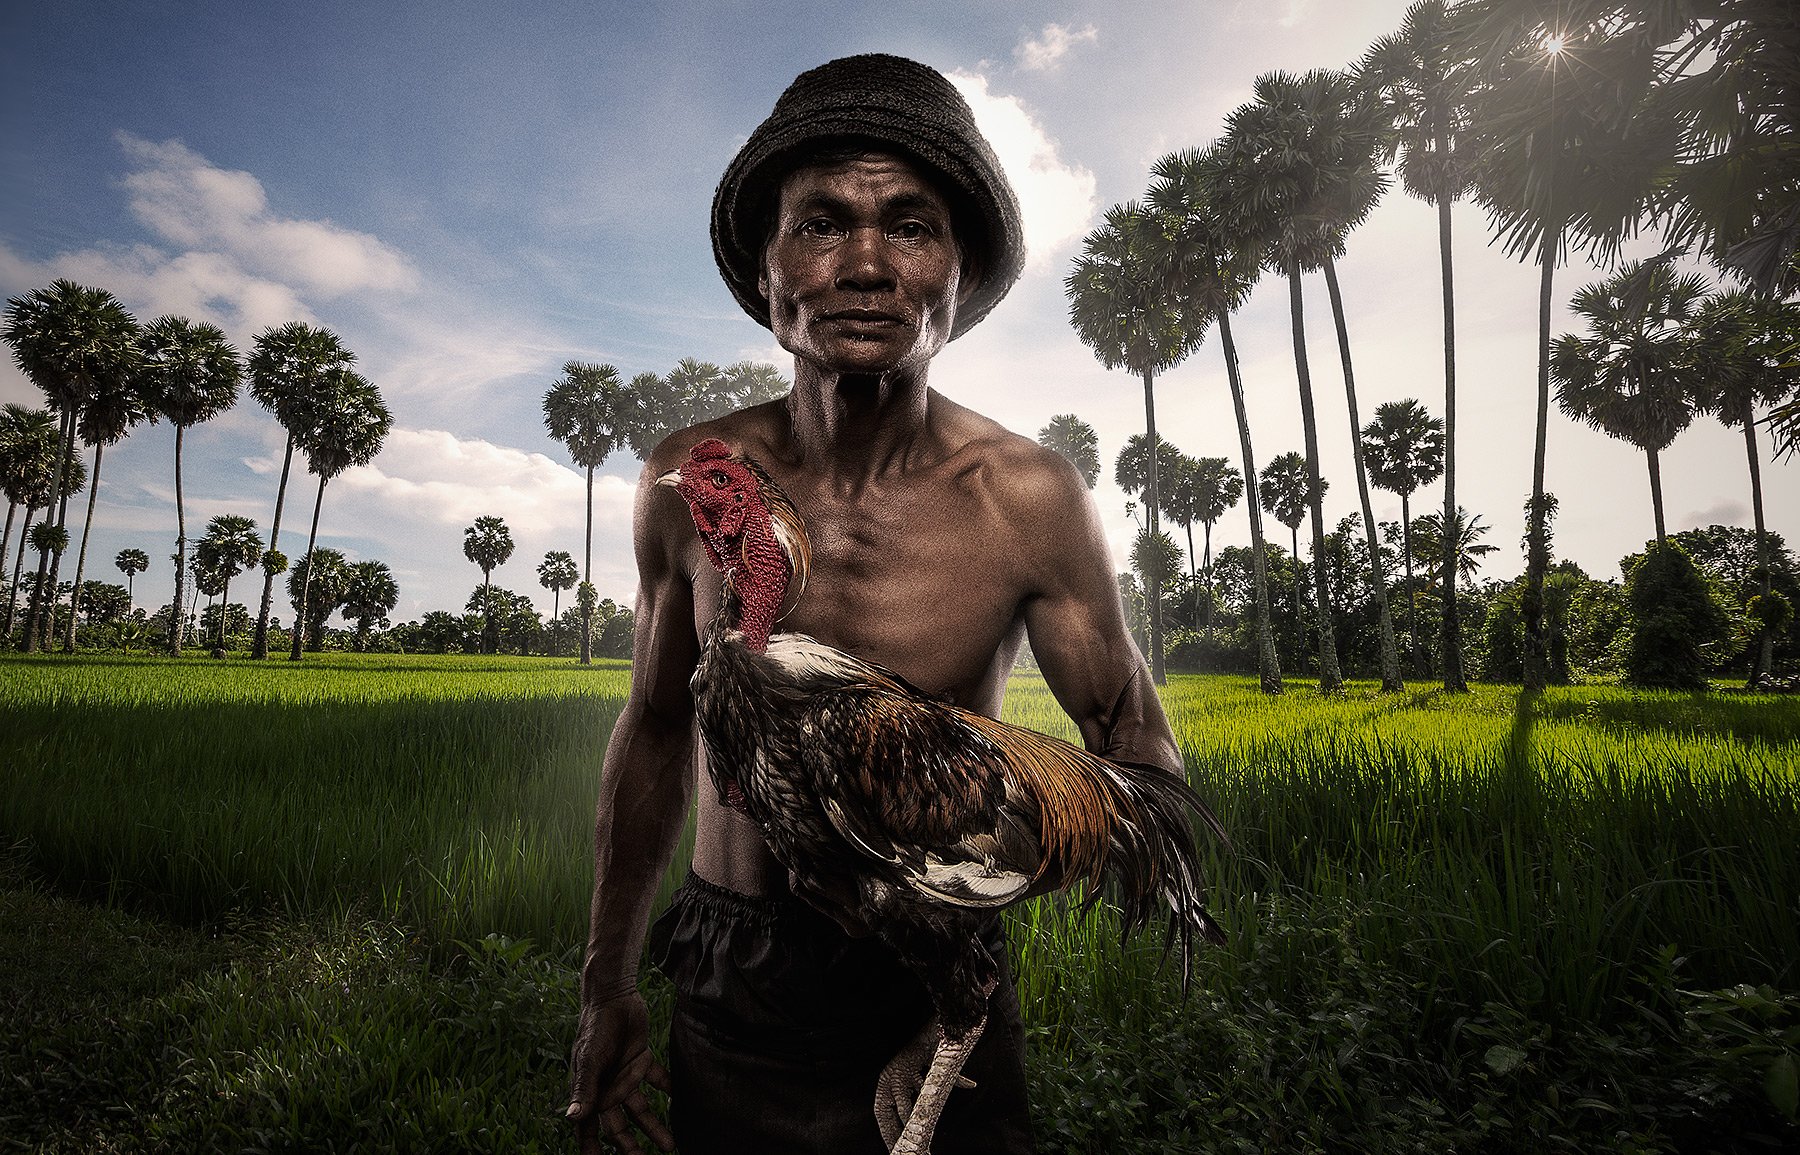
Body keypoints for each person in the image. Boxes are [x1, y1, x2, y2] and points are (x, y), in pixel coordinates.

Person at [566, 53, 1183, 1155]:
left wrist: (961, 991)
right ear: (766, 270)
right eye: (820, 224)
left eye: (909, 225)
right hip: (734, 970)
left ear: (959, 273)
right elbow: (658, 727)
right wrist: (607, 981)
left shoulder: (1025, 496)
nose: (864, 264)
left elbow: (1137, 747)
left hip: (930, 974)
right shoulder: (695, 480)